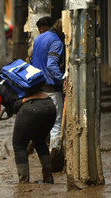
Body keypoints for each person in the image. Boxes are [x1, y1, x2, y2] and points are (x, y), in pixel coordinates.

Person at [0, 64, 56, 184]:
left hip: (31, 110)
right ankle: (48, 178)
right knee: (39, 140)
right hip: (50, 106)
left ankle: (24, 183)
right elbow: (17, 97)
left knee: (19, 146)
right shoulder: (12, 78)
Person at [31, 19, 64, 157]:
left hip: (38, 88)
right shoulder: (55, 41)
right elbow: (51, 64)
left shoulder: (38, 39)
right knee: (56, 122)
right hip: (51, 87)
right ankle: (54, 153)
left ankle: (37, 147)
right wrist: (63, 79)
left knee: (41, 122)